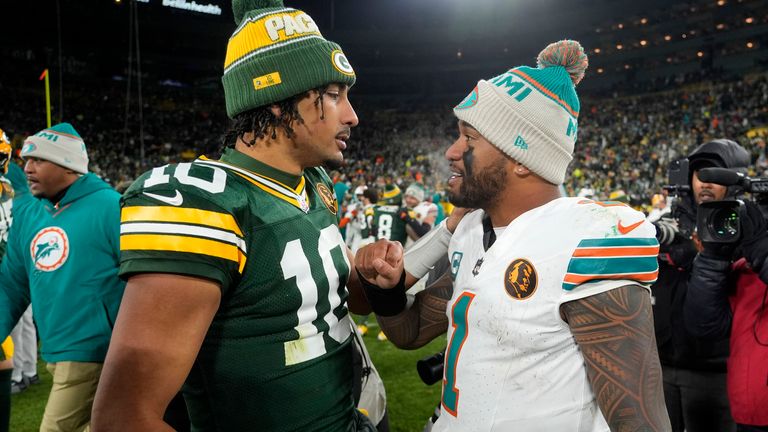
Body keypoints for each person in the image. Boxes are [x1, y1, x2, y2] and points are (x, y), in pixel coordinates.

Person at [355, 40, 671, 431]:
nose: (452, 152)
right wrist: (386, 291)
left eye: (469, 138)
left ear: (521, 158)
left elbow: (640, 421)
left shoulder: (585, 240)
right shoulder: (473, 230)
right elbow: (411, 332)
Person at [91, 1, 377, 430]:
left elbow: (337, 301)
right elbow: (123, 417)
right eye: (333, 95)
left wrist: (376, 278)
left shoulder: (315, 184)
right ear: (278, 102)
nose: (352, 115)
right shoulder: (205, 200)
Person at [0, 122, 125, 431]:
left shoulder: (111, 207)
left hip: (96, 349)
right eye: (26, 160)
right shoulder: (29, 214)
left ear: (67, 165)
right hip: (55, 349)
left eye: (38, 160)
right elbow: (12, 286)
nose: (27, 168)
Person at [651, 140, 749, 432]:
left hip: (716, 372)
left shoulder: (748, 226)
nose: (705, 181)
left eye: (716, 174)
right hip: (664, 367)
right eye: (700, 173)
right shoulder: (670, 224)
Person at [685, 172, 768, 429]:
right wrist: (712, 259)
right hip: (748, 415)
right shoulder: (746, 268)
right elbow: (705, 326)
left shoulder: (757, 257)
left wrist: (761, 250)